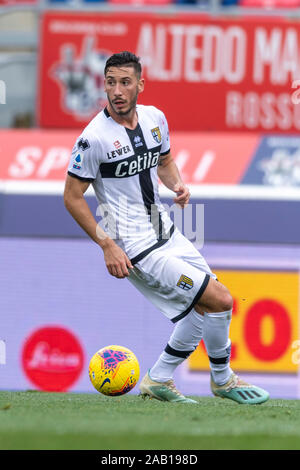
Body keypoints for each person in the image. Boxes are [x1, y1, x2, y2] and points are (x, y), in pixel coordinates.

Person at [64, 51, 269, 405]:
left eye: (125, 82)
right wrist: (108, 246)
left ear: (140, 85)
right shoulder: (92, 139)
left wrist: (178, 185)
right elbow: (72, 197)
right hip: (136, 246)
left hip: (166, 232)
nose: (117, 90)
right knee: (220, 299)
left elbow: (165, 161)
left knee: (205, 309)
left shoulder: (155, 118)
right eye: (110, 82)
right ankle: (223, 379)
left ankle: (158, 378)